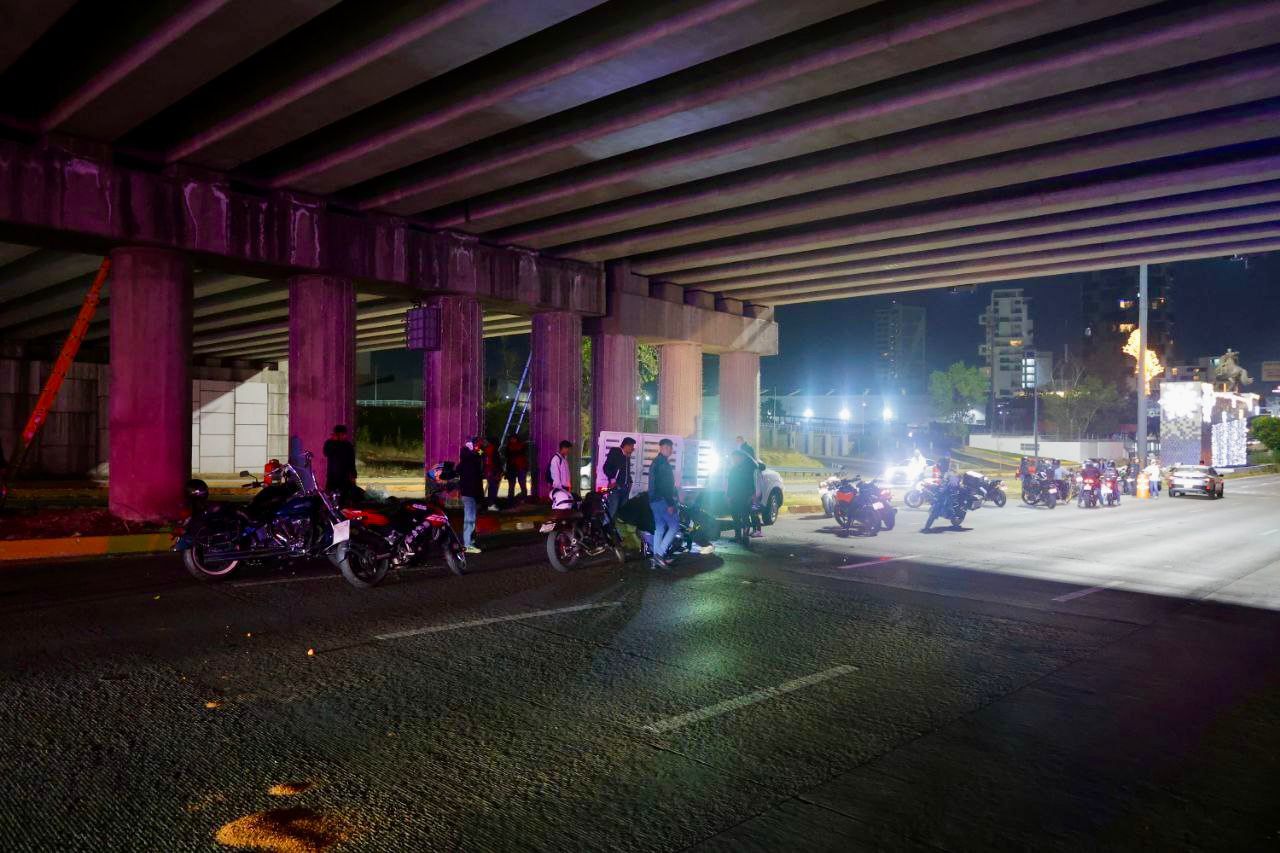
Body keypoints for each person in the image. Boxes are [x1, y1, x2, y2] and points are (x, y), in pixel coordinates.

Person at [648, 438, 679, 568]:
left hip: (654, 500)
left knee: (659, 528)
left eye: (670, 447)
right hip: (662, 500)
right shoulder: (663, 464)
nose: (669, 450)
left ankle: (656, 559)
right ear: (661, 448)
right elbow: (664, 486)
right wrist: (670, 503)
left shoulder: (656, 462)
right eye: (666, 447)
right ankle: (659, 555)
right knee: (674, 526)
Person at [457, 439, 485, 554]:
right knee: (469, 520)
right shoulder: (472, 461)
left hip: (467, 493)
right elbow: (482, 454)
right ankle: (467, 545)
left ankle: (469, 542)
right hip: (471, 494)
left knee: (470, 519)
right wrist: (478, 450)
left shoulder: (464, 461)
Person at [601, 437, 636, 521]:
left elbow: (626, 471)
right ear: (626, 446)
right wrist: (612, 479)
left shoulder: (626, 455)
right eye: (632, 447)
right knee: (612, 509)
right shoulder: (615, 452)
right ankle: (605, 526)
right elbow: (606, 468)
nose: (633, 449)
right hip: (615, 488)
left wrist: (630, 482)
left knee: (622, 512)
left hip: (625, 488)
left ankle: (615, 528)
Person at [727, 450, 757, 547]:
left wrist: (752, 495)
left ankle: (745, 536)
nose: (734, 460)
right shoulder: (733, 469)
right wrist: (729, 495)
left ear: (741, 458)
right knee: (735, 517)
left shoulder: (747, 469)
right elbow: (730, 484)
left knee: (745, 517)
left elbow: (751, 483)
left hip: (744, 497)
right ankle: (737, 536)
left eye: (736, 457)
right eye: (733, 458)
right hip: (734, 497)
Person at [922, 457, 961, 532]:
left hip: (948, 494)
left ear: (945, 465)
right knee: (935, 509)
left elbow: (954, 483)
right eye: (939, 465)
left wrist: (948, 486)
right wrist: (936, 486)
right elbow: (941, 482)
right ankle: (927, 528)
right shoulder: (943, 473)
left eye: (941, 465)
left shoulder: (950, 474)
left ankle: (955, 520)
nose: (939, 467)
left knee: (948, 507)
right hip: (942, 494)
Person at [322, 424, 357, 500]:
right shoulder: (329, 443)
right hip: (332, 477)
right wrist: (333, 442)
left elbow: (352, 461)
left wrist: (353, 475)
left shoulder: (348, 445)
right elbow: (326, 453)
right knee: (330, 498)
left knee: (344, 498)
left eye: (344, 434)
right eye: (342, 434)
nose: (344, 436)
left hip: (345, 478)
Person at [503, 435, 528, 500]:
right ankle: (515, 497)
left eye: (513, 438)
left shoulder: (511, 446)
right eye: (511, 439)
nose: (512, 440)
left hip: (518, 466)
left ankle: (513, 498)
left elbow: (507, 456)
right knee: (516, 483)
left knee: (519, 483)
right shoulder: (518, 446)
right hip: (515, 467)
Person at [481, 436, 501, 510]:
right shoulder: (490, 449)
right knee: (493, 487)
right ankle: (491, 503)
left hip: (491, 471)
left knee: (492, 487)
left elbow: (483, 456)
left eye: (485, 441)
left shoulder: (489, 450)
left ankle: (491, 503)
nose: (484, 443)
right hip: (492, 471)